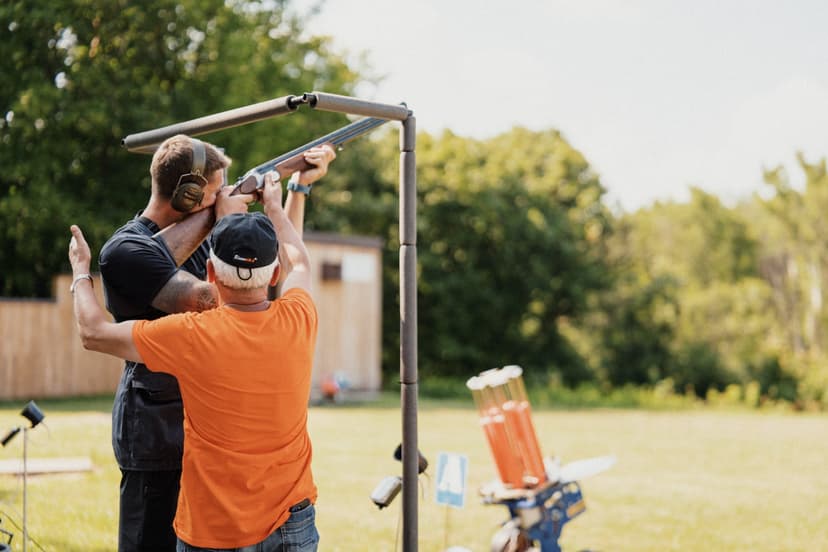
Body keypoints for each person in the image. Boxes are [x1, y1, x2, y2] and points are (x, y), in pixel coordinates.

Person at [97, 133, 334, 551]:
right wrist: (226, 219)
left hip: (205, 438)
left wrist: (297, 188)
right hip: (157, 436)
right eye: (216, 190)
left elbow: (266, 265)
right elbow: (215, 298)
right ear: (189, 194)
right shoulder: (127, 249)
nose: (224, 196)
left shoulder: (212, 241)